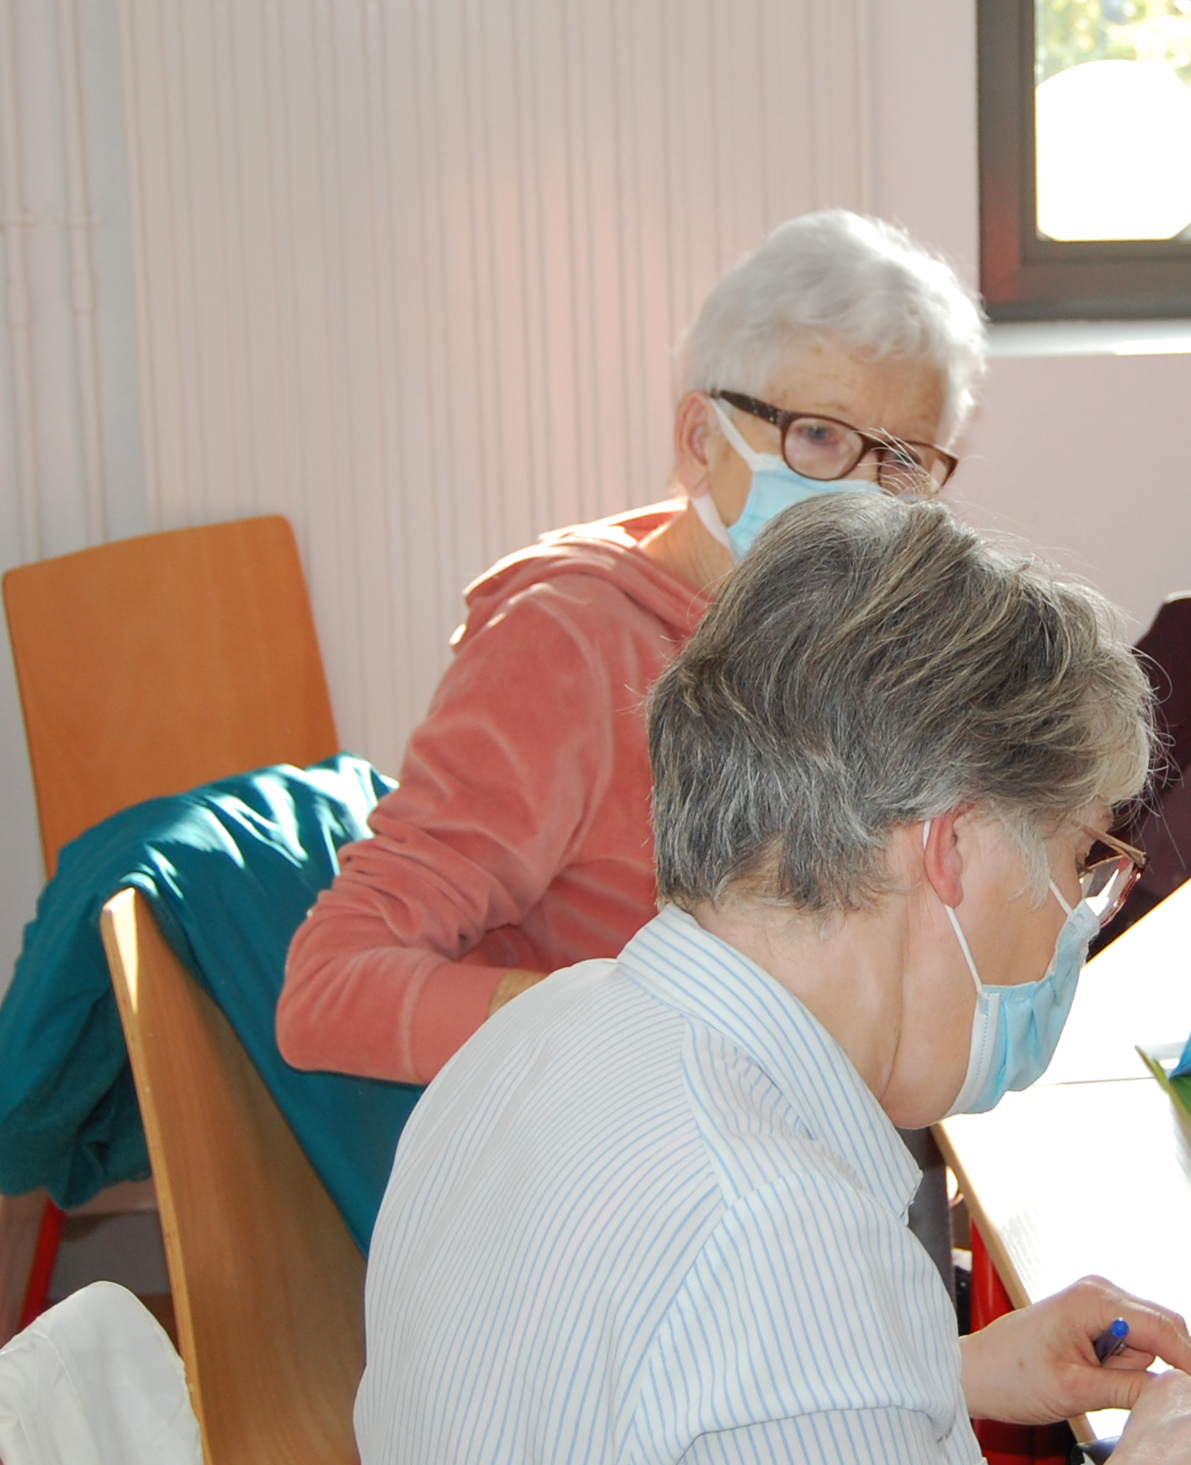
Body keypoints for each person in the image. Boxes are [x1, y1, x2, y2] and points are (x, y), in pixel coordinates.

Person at [357, 495, 1191, 1464]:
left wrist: (945, 1368)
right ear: (956, 846)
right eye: (1077, 858)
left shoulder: (537, 1029)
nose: (1075, 911)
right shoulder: (786, 1237)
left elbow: (639, 1389)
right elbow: (752, 1321)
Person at [278, 209, 983, 1084]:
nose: (859, 494)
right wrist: (635, 1027)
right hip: (627, 1163)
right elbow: (330, 989)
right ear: (700, 441)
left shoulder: (843, 636)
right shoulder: (565, 643)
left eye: (902, 461)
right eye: (818, 435)